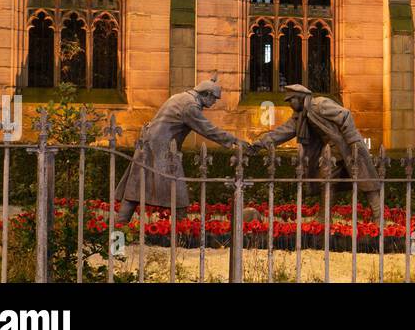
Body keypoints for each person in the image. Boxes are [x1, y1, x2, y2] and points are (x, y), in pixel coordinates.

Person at [113, 74, 244, 225]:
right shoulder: (190, 106)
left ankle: (120, 225)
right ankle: (182, 231)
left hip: (150, 145)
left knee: (136, 187)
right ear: (206, 94)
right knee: (178, 192)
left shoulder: (181, 97)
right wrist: (234, 140)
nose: (215, 102)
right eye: (214, 98)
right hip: (162, 150)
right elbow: (208, 130)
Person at [251, 84, 382, 212]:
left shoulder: (319, 104)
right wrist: (259, 144)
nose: (289, 103)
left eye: (291, 99)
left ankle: (377, 214)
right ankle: (325, 215)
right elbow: (282, 132)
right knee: (326, 179)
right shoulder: (300, 116)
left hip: (347, 145)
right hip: (332, 149)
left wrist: (352, 140)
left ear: (300, 97)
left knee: (366, 181)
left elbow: (345, 115)